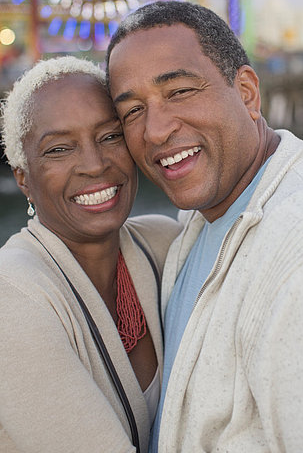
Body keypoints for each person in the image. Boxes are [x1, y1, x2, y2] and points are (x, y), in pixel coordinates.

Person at [106, 0, 303, 453]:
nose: (156, 130)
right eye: (132, 112)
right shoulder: (206, 220)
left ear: (246, 92)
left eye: (180, 91)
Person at [0, 56, 181, 453]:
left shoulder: (166, 244)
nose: (94, 164)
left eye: (111, 136)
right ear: (23, 176)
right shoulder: (12, 297)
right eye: (59, 149)